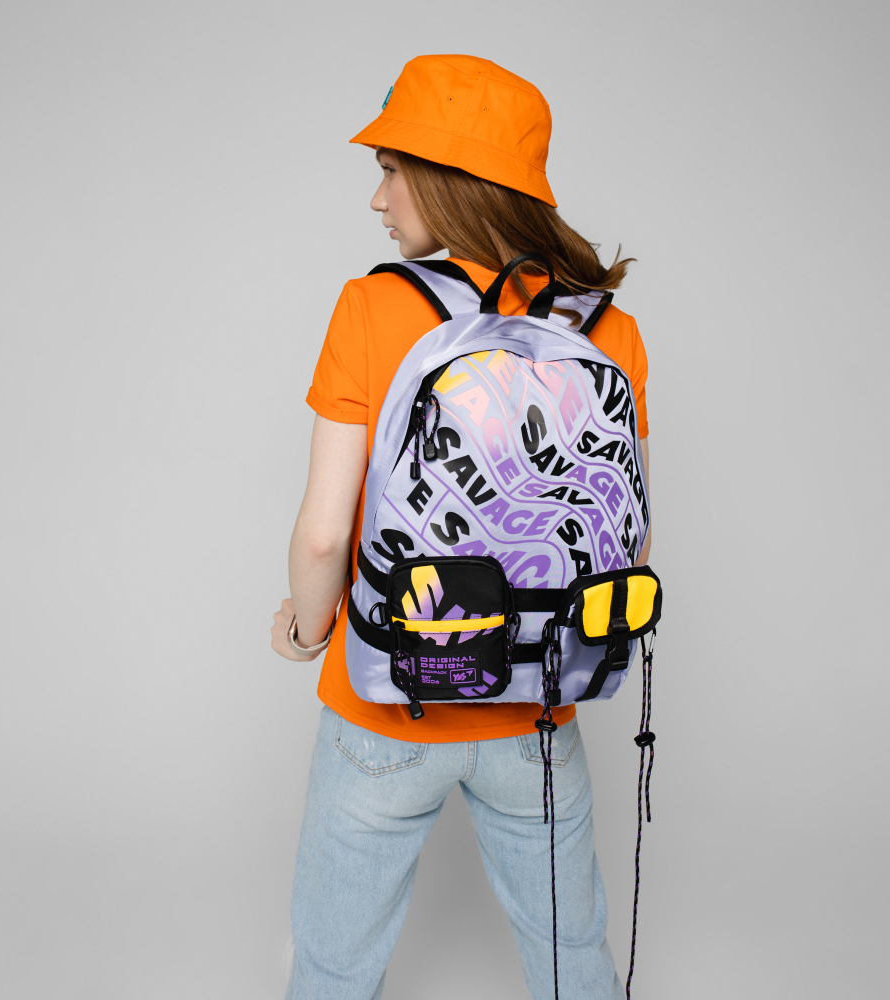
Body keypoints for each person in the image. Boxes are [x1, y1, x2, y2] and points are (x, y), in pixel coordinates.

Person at [271, 54, 652, 1000]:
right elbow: (628, 538)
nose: (377, 198)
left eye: (391, 170)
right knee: (573, 959)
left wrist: (306, 627)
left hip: (384, 702)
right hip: (538, 706)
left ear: (450, 178)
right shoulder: (607, 330)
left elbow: (323, 536)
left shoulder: (373, 306)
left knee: (333, 966)